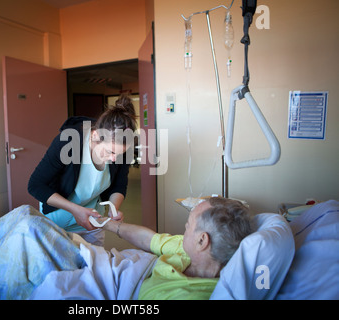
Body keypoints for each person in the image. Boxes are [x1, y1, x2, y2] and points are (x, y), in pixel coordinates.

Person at [28, 95, 137, 246]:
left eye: (119, 155)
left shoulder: (121, 150)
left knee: (94, 263)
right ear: (95, 135)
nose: (114, 159)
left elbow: (119, 185)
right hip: (58, 217)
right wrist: (75, 210)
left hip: (92, 219)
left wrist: (113, 208)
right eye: (110, 152)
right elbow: (35, 185)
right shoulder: (69, 142)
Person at [98, 196, 253, 299]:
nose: (184, 229)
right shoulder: (189, 251)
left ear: (202, 241)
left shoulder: (191, 295)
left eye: (188, 226)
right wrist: (104, 223)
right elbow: (148, 239)